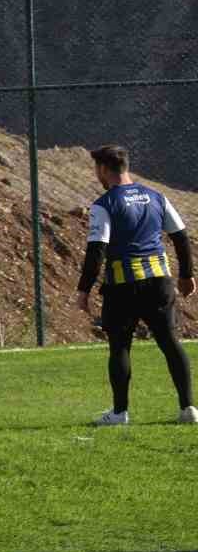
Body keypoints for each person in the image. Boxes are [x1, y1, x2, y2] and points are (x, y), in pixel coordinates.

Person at [75, 145, 197, 426]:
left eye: (97, 169)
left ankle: (119, 413)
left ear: (104, 169)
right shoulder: (157, 197)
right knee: (169, 342)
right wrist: (186, 274)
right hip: (159, 282)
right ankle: (188, 408)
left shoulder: (104, 204)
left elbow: (97, 250)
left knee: (120, 347)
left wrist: (84, 289)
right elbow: (180, 236)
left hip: (123, 285)